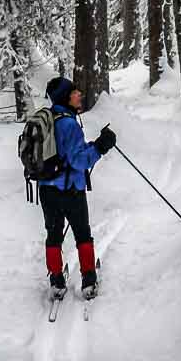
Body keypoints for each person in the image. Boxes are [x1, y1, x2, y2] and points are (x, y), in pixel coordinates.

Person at [40, 76, 116, 300]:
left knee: (53, 236)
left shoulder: (48, 119)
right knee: (83, 234)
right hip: (71, 190)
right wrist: (101, 147)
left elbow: (67, 152)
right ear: (66, 97)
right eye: (74, 92)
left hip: (46, 189)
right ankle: (89, 281)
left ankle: (56, 281)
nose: (79, 94)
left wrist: (90, 146)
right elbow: (79, 162)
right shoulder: (69, 124)